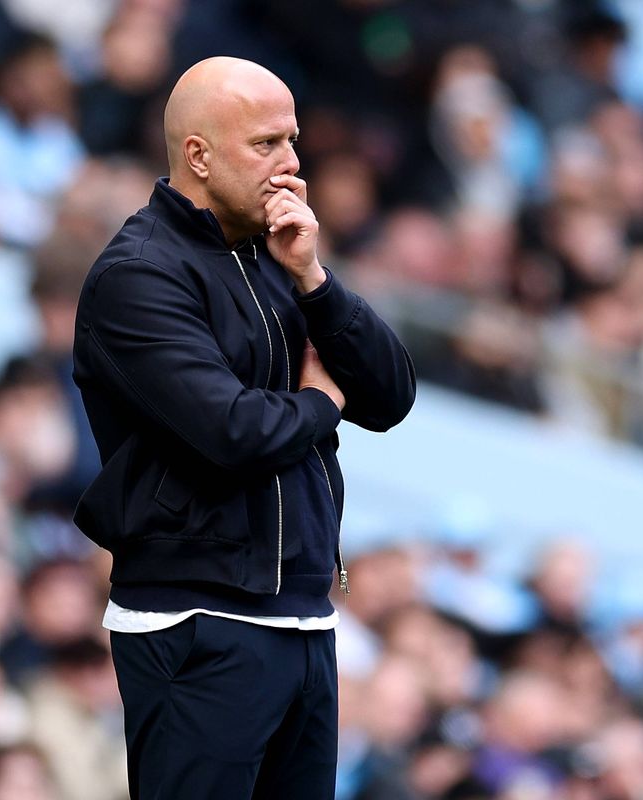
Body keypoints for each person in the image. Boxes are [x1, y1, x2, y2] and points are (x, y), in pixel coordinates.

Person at [70, 56, 416, 799]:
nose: (291, 164)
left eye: (292, 141)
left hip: (304, 618)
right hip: (196, 619)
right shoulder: (138, 274)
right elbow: (228, 429)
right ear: (197, 154)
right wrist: (323, 404)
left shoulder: (278, 255)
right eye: (266, 144)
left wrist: (316, 283)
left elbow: (389, 395)